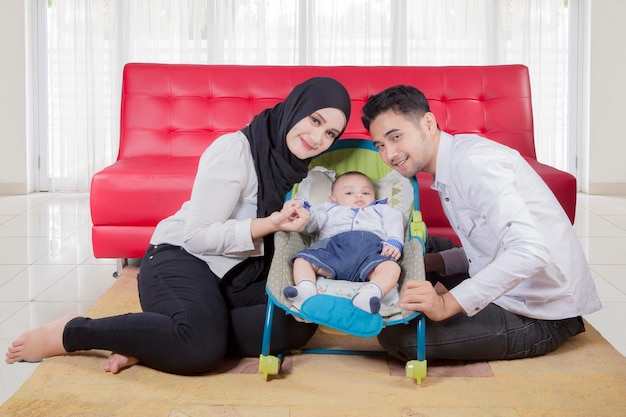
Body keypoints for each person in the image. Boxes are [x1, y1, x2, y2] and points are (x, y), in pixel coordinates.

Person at [5, 76, 352, 375]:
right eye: (314, 119)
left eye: (330, 133)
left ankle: (154, 339)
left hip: (236, 274)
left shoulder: (297, 170)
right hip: (181, 259)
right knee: (202, 348)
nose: (317, 136)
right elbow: (197, 237)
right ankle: (72, 332)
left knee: (296, 319)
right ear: (295, 108)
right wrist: (269, 223)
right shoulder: (236, 150)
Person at [360, 84, 602, 362]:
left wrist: (446, 303)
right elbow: (489, 246)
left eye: (396, 137)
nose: (390, 154)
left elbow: (530, 252)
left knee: (398, 336)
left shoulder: (474, 163)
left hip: (539, 311)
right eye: (381, 145)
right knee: (422, 249)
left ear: (428, 123)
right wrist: (437, 262)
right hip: (510, 283)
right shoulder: (450, 165)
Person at [283, 171, 405, 314]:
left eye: (366, 193)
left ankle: (369, 294)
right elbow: (311, 222)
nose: (359, 196)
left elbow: (394, 223)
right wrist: (301, 209)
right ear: (333, 198)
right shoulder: (329, 209)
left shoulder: (381, 209)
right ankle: (306, 289)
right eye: (349, 193)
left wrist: (394, 242)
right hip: (333, 253)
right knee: (302, 259)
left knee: (392, 268)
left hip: (370, 255)